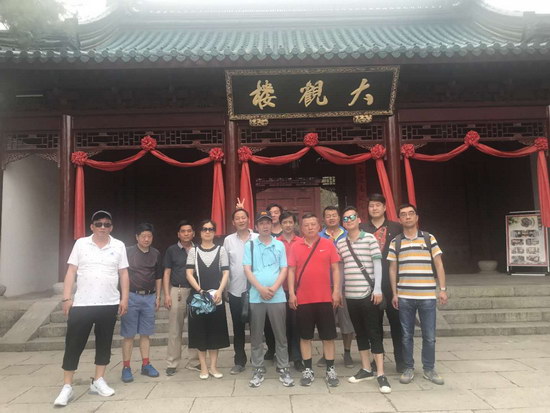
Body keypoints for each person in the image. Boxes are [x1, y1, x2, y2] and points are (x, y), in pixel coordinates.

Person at [54, 210, 129, 407]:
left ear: (111, 227)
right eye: (99, 224)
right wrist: (66, 297)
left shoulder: (119, 245)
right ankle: (67, 385)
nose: (103, 227)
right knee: (74, 344)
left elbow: (123, 273)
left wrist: (124, 298)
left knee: (104, 343)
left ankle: (98, 380)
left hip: (108, 302)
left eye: (107, 224)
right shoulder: (81, 244)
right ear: (92, 226)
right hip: (82, 303)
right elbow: (71, 271)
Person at [388, 203, 448, 386]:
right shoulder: (396, 241)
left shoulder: (429, 238)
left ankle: (429, 369)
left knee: (429, 336)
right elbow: (392, 269)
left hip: (427, 295)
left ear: (416, 217)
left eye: (410, 213)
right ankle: (408, 368)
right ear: (399, 219)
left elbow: (439, 264)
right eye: (403, 214)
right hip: (405, 295)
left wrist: (442, 289)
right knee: (406, 336)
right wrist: (394, 293)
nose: (407, 217)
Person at [337, 207, 391, 394]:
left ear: (359, 219)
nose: (349, 220)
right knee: (359, 333)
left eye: (352, 217)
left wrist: (378, 289)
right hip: (351, 295)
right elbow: (340, 268)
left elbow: (377, 264)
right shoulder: (341, 243)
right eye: (345, 218)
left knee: (373, 332)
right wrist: (340, 291)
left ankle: (381, 373)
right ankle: (366, 368)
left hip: (369, 293)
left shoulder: (369, 238)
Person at [288, 213, 342, 387]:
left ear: (319, 226)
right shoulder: (295, 246)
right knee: (305, 337)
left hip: (325, 298)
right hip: (303, 299)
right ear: (301, 228)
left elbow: (335, 269)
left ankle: (330, 369)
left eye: (313, 224)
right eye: (306, 225)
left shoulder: (328, 244)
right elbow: (291, 271)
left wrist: (336, 291)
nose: (310, 227)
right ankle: (308, 369)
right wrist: (292, 293)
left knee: (328, 336)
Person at [244, 211, 294, 388]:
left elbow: (284, 269)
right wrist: (260, 288)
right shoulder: (250, 245)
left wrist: (273, 288)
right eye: (261, 223)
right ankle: (258, 368)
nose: (265, 226)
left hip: (277, 296)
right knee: (256, 335)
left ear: (272, 225)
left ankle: (283, 367)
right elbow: (247, 269)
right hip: (256, 297)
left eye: (268, 223)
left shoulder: (279, 245)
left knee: (281, 335)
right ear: (256, 227)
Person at [362, 193, 404, 373]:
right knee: (374, 325)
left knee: (397, 323)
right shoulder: (363, 228)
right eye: (371, 205)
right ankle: (376, 359)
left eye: (378, 205)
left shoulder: (396, 227)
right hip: (371, 283)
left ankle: (401, 360)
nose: (374, 208)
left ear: (385, 207)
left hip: (392, 283)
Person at [186, 219, 230, 379]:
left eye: (211, 229)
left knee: (215, 331)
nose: (207, 232)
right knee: (199, 331)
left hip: (216, 296)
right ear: (200, 232)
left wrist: (220, 291)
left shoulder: (221, 250)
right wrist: (200, 290)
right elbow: (189, 273)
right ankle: (203, 367)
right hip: (199, 297)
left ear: (214, 232)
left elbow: (226, 272)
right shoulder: (193, 251)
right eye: (204, 229)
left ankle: (213, 366)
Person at [120, 223, 163, 383]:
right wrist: (123, 298)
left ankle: (146, 364)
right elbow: (122, 274)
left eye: (149, 236)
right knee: (129, 335)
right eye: (143, 236)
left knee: (146, 333)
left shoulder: (156, 253)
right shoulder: (127, 252)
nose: (146, 239)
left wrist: (158, 296)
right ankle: (126, 367)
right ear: (137, 237)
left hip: (149, 297)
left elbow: (158, 276)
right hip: (131, 296)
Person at [318, 206, 355, 369]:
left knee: (347, 322)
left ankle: (347, 352)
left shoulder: (349, 234)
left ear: (339, 218)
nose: (331, 218)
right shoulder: (319, 236)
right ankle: (326, 354)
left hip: (346, 285)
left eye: (334, 215)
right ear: (323, 219)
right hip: (325, 285)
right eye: (328, 216)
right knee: (326, 322)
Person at [223, 208, 258, 375]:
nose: (241, 220)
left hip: (255, 290)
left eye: (243, 217)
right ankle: (239, 360)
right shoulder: (228, 240)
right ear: (233, 222)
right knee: (238, 328)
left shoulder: (257, 238)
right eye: (237, 218)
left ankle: (257, 360)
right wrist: (224, 288)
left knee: (256, 328)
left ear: (248, 219)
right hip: (235, 290)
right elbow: (225, 265)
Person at [163, 220, 199, 376]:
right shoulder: (172, 250)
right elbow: (167, 273)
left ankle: (195, 361)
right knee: (175, 330)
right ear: (178, 234)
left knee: (195, 328)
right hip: (177, 291)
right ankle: (172, 362)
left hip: (196, 292)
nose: (186, 234)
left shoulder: (198, 249)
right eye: (183, 231)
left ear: (193, 233)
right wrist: (166, 294)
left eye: (189, 231)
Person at [277, 211, 304, 372]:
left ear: (295, 224)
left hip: (297, 290)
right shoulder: (275, 242)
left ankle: (297, 357)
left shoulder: (301, 241)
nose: (288, 225)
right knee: (283, 325)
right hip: (280, 290)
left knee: (297, 324)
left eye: (290, 222)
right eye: (284, 222)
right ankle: (284, 356)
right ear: (280, 224)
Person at [263, 202, 284, 360]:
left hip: (284, 285)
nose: (274, 215)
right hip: (266, 287)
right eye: (271, 213)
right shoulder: (263, 235)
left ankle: (286, 350)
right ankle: (271, 348)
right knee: (267, 322)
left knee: (283, 321)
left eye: (277, 212)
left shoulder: (288, 232)